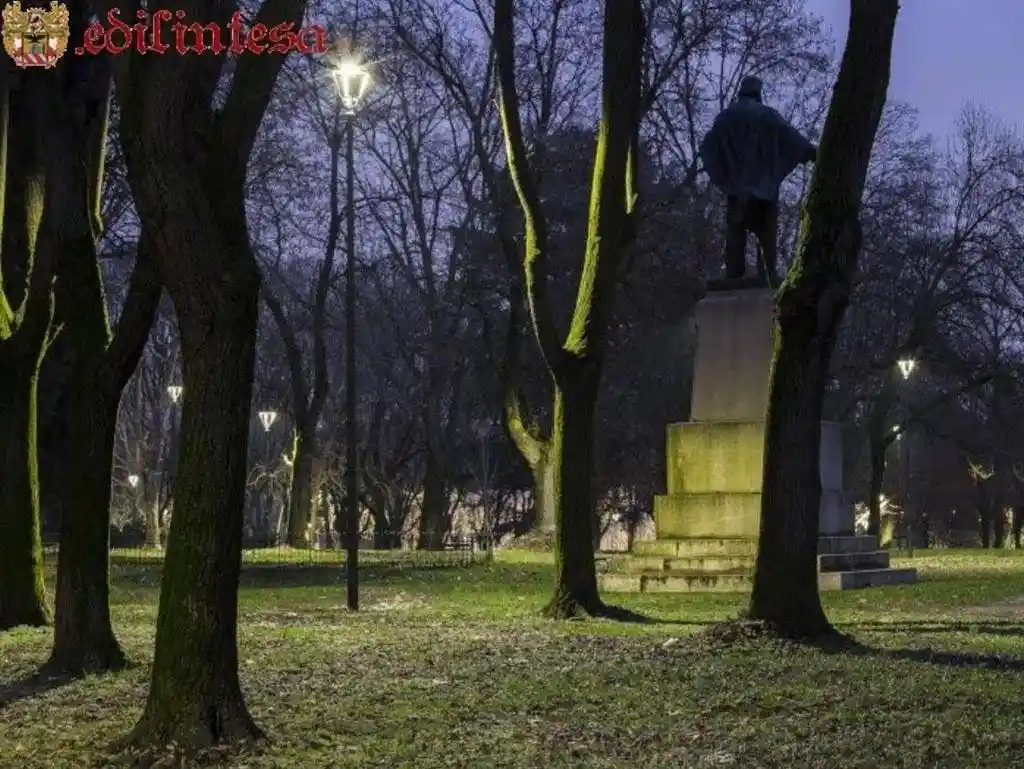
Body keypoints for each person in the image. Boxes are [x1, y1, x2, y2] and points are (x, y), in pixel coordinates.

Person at [699, 75, 817, 284]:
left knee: (736, 232)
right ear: (758, 92)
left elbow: (708, 148)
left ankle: (734, 274)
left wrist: (725, 176)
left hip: (736, 189)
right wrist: (811, 153)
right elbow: (791, 138)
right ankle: (768, 272)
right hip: (764, 189)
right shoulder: (769, 115)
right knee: (767, 232)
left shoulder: (725, 117)